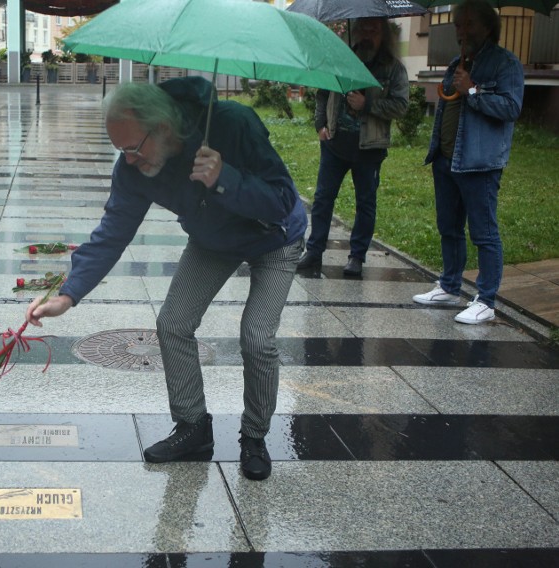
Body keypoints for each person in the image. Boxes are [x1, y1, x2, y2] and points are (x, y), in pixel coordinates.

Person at [26, 78, 307, 481]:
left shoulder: (234, 123)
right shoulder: (134, 167)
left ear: (163, 128)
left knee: (257, 337)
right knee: (172, 324)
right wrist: (67, 295)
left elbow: (281, 202)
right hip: (214, 239)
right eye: (119, 150)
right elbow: (113, 230)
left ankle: (254, 437)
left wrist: (224, 178)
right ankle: (193, 428)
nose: (129, 160)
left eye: (133, 148)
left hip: (274, 238)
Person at [413, 0, 523, 325]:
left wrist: (472, 90)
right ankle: (449, 285)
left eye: (469, 24)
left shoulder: (505, 64)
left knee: (483, 232)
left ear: (488, 27)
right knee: (449, 227)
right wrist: (450, 87)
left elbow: (511, 108)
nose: (461, 31)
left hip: (479, 164)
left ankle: (486, 300)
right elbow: (451, 102)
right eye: (458, 25)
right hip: (446, 160)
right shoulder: (456, 62)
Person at [297, 17, 409, 276]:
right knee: (323, 199)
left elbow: (401, 106)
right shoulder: (340, 59)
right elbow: (323, 92)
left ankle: (357, 256)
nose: (368, 34)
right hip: (335, 142)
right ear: (355, 31)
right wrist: (320, 125)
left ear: (384, 35)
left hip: (369, 148)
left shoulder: (392, 68)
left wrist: (367, 104)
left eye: (374, 29)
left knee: (365, 203)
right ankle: (314, 252)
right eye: (363, 29)